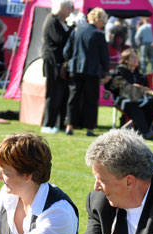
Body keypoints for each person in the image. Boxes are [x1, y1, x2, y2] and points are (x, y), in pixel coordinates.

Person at [63, 7, 109, 137]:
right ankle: (89, 128)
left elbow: (66, 51)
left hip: (75, 68)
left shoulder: (76, 30)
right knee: (91, 99)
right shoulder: (99, 34)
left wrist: (70, 61)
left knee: (73, 97)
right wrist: (106, 72)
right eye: (103, 20)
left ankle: (70, 125)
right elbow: (104, 56)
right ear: (99, 19)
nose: (103, 23)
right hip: (91, 70)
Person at [105, 48, 153, 140]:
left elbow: (145, 87)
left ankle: (141, 131)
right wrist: (128, 86)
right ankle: (145, 133)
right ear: (126, 60)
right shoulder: (118, 71)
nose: (136, 59)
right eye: (133, 57)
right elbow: (109, 86)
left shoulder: (139, 74)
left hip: (140, 99)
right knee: (134, 107)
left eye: (137, 57)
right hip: (123, 99)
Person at [40, 0, 73, 134]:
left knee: (62, 95)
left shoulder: (62, 23)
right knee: (53, 95)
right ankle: (48, 124)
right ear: (62, 8)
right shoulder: (52, 21)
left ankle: (59, 124)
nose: (71, 10)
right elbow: (60, 39)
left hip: (61, 64)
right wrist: (73, 30)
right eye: (69, 8)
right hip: (53, 63)